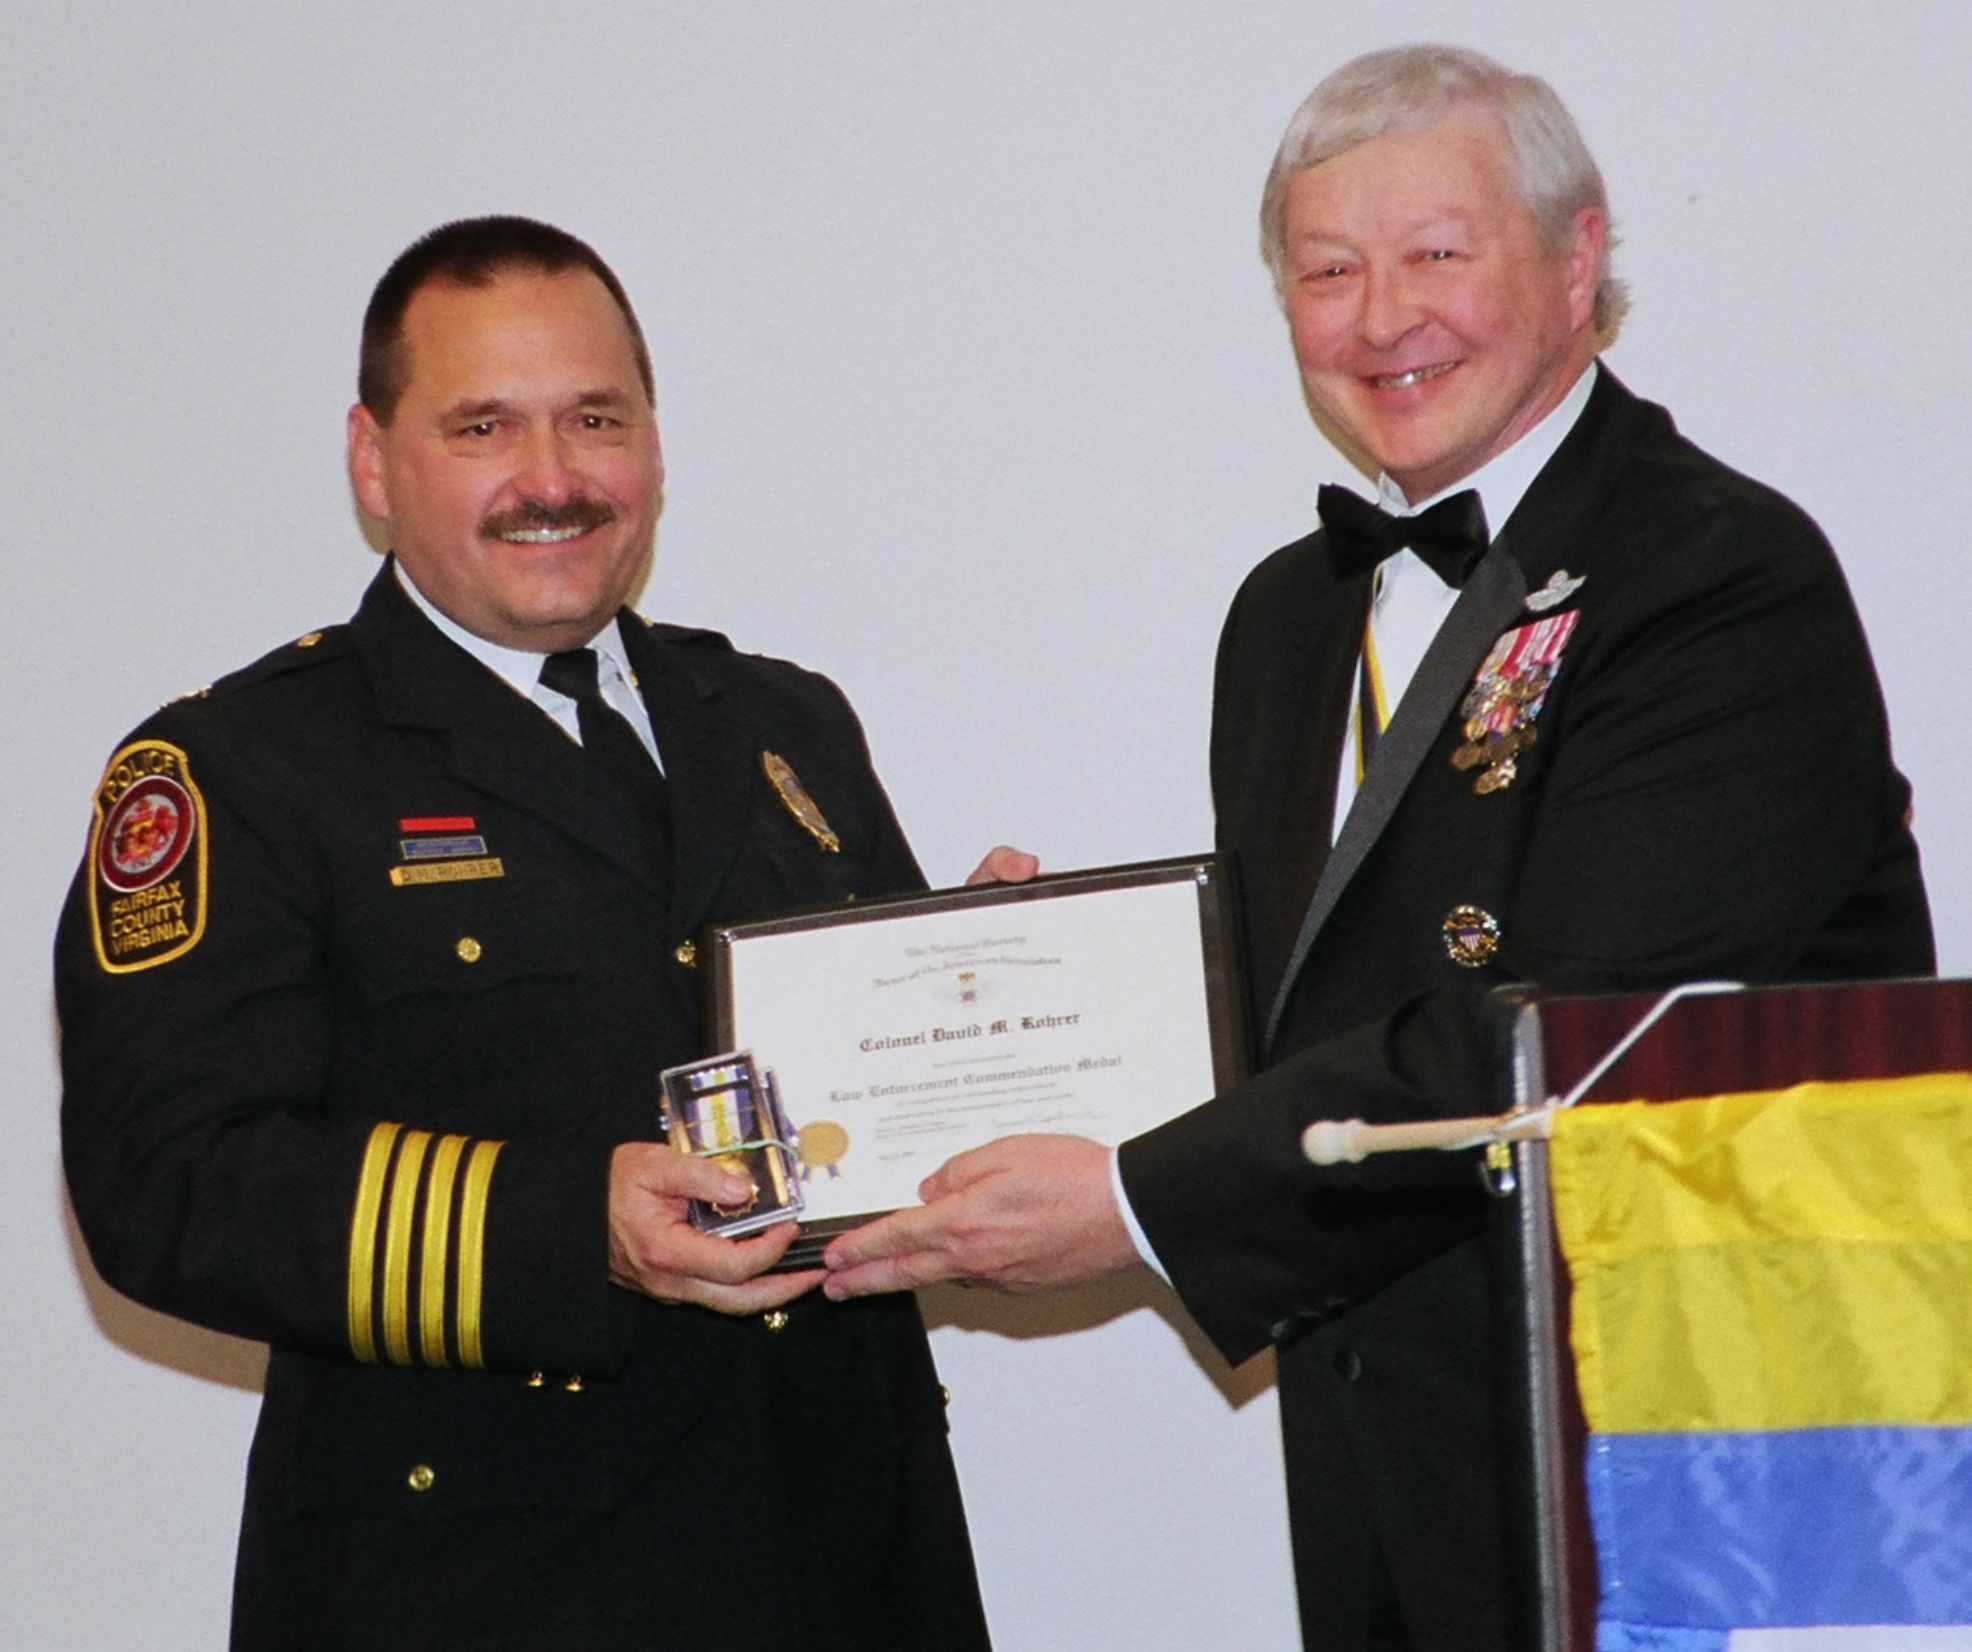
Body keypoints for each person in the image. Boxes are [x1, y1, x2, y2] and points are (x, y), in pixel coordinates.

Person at [822, 46, 1933, 1651]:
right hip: (1381, 1468)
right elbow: (1318, 1009)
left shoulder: (1717, 578)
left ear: (1575, 261)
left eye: (1435, 254)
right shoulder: (1288, 618)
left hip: (1686, 1470)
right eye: (1328, 271)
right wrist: (1015, 1013)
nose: (1381, 317)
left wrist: (1136, 1203)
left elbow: (1578, 1037)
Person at [57, 215, 990, 1651]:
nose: (551, 481)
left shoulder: (781, 724)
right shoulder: (241, 770)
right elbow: (167, 1187)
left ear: (656, 448)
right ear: (375, 464)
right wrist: (577, 1229)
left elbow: (862, 1124)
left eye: (594, 419)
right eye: (483, 426)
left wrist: (982, 1021)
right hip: (476, 1584)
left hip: (844, 1554)